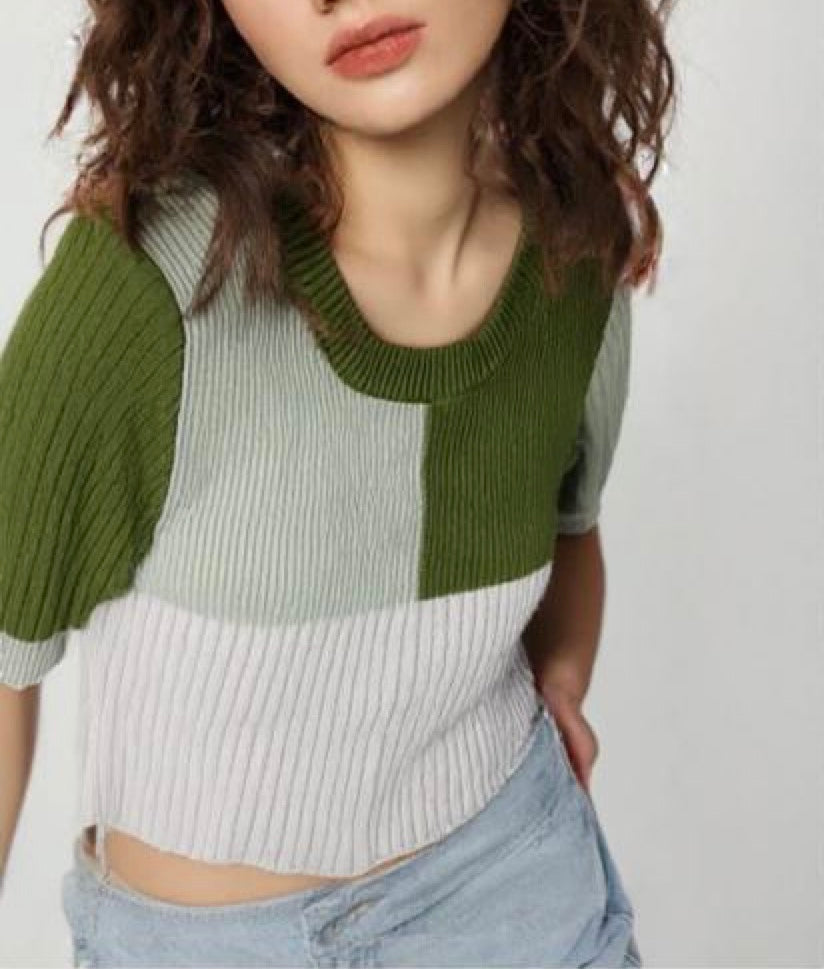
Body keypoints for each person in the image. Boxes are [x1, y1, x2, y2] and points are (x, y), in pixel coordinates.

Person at [0, 0, 676, 964]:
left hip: (518, 898)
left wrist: (562, 678)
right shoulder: (144, 289)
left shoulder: (580, 246)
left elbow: (570, 524)